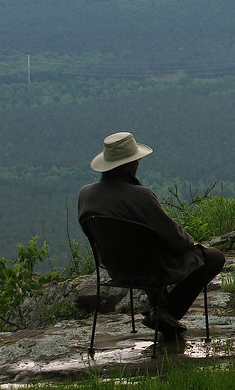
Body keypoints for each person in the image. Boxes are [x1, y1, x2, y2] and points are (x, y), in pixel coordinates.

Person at [77, 131, 225, 336]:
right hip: (150, 270)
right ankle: (165, 315)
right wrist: (194, 245)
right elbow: (174, 237)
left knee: (144, 250)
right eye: (136, 159)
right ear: (131, 164)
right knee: (214, 257)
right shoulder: (142, 196)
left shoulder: (86, 195)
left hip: (115, 269)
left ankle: (159, 308)